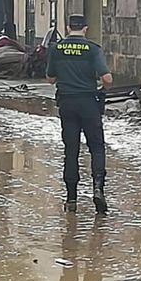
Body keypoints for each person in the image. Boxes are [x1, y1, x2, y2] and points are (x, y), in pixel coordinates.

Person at [46, 14, 113, 214]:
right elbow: (107, 78)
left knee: (71, 150)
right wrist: (102, 87)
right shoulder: (93, 49)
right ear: (85, 29)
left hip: (67, 103)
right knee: (97, 147)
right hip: (89, 103)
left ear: (67, 28)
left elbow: (50, 79)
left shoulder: (56, 49)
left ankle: (71, 198)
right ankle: (98, 188)